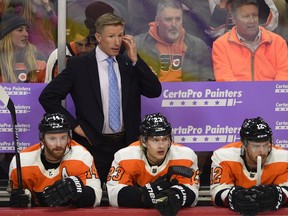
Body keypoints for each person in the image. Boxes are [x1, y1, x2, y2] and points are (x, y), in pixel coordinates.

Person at [38, 13, 162, 185]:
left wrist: (135, 59)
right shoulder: (79, 65)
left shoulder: (129, 64)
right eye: (111, 36)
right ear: (98, 37)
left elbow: (154, 90)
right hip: (93, 144)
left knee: (127, 198)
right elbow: (47, 97)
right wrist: (74, 126)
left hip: (127, 145)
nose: (117, 42)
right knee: (91, 199)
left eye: (120, 36)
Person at [107, 113, 199, 215]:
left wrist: (177, 195)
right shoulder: (124, 156)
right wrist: (144, 196)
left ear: (170, 140)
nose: (161, 145)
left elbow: (193, 192)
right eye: (155, 140)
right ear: (144, 141)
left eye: (165, 139)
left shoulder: (186, 156)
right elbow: (113, 195)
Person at [9, 113, 102, 207]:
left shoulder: (81, 157)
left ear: (69, 137)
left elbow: (96, 197)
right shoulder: (22, 162)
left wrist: (78, 192)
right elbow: (20, 199)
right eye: (52, 138)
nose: (58, 144)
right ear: (42, 139)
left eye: (63, 137)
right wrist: (25, 200)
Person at [210, 117, 288, 215]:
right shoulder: (223, 156)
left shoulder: (284, 158)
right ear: (244, 144)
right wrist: (234, 197)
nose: (262, 151)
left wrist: (274, 195)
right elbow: (217, 191)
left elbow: (286, 189)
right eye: (256, 146)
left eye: (266, 145)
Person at [134, 0, 214, 82]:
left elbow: (208, 83)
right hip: (153, 93)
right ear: (157, 21)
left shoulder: (199, 47)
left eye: (178, 19)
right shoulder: (137, 46)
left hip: (188, 93)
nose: (174, 24)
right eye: (168, 19)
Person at [212, 0, 288, 81]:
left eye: (254, 15)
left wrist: (271, 93)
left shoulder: (278, 42)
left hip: (271, 93)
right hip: (239, 92)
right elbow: (225, 79)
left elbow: (283, 75)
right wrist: (247, 93)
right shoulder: (220, 45)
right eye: (246, 16)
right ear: (234, 19)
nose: (252, 20)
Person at [45, 1, 115, 83]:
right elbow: (49, 90)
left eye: (88, 45)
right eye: (79, 44)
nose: (83, 49)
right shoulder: (59, 56)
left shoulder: (108, 54)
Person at [0, 10, 46, 82]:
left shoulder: (38, 57)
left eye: (26, 30)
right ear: (7, 35)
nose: (26, 34)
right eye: (20, 30)